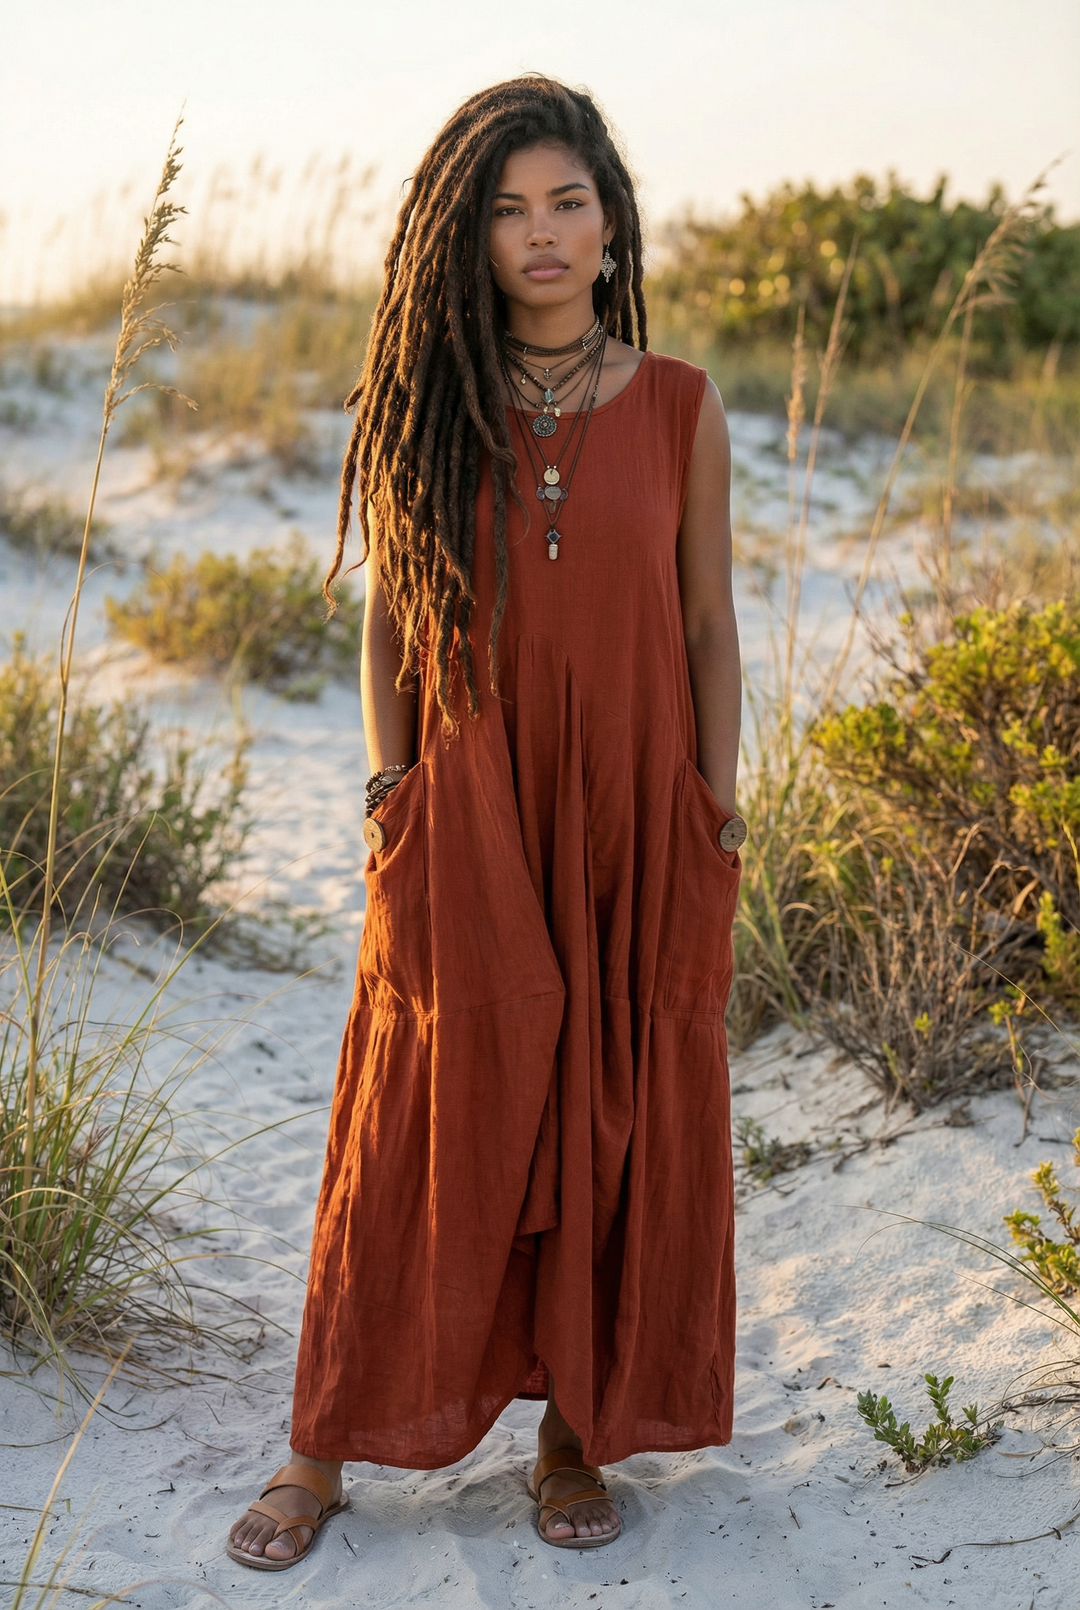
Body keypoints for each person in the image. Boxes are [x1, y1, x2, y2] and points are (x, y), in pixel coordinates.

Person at [227, 73, 743, 1570]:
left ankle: (574, 1432)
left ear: (610, 219)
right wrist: (393, 792)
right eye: (509, 209)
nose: (541, 234)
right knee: (422, 1100)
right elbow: (393, 610)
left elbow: (707, 623)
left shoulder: (682, 403)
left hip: (638, 805)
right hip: (465, 792)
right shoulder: (433, 400)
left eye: (566, 202)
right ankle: (321, 1446)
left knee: (612, 1099)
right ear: (469, 233)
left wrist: (712, 805)